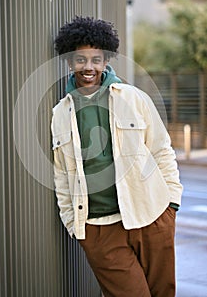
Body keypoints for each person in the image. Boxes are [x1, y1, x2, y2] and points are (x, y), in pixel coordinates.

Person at [51, 16, 183, 297]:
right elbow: (62, 174)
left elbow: (161, 149)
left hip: (151, 215)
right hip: (99, 228)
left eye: (96, 59)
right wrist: (74, 225)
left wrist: (171, 204)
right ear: (69, 61)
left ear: (106, 61)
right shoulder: (60, 113)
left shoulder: (133, 98)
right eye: (80, 59)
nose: (88, 67)